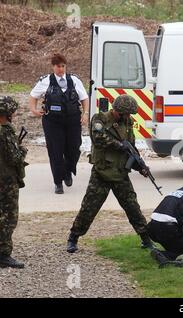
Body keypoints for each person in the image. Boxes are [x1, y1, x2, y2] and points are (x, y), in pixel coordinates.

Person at [66, 94, 153, 253]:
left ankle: (146, 239)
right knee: (89, 208)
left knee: (133, 207)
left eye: (129, 114)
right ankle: (73, 237)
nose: (127, 117)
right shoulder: (100, 119)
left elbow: (131, 148)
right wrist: (120, 146)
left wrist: (141, 166)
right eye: (125, 113)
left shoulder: (127, 122)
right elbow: (98, 139)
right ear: (117, 110)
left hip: (120, 173)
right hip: (102, 172)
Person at [29, 53, 89, 194]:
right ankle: (58, 182)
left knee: (74, 148)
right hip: (53, 122)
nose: (61, 69)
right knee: (56, 151)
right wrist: (34, 110)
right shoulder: (45, 81)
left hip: (73, 120)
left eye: (63, 66)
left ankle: (68, 171)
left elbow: (84, 98)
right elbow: (33, 96)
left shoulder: (74, 80)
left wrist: (85, 114)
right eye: (58, 66)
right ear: (53, 67)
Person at [0, 96, 28, 268]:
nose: (14, 114)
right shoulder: (4, 132)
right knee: (8, 217)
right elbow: (14, 158)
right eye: (13, 112)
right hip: (6, 181)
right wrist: (22, 150)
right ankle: (3, 254)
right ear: (7, 113)